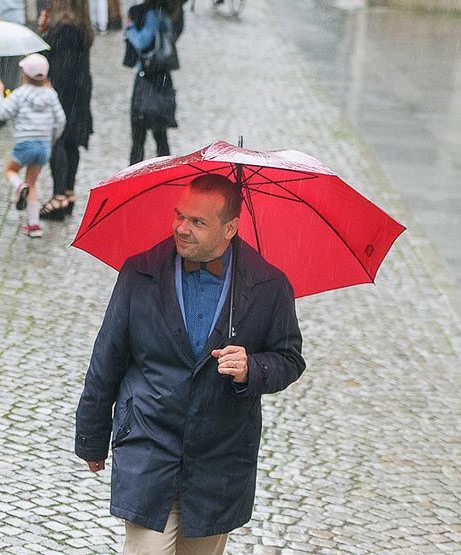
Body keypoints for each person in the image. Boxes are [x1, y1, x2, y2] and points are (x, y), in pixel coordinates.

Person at [76, 174, 306, 554]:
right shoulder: (140, 273)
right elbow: (107, 357)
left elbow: (289, 358)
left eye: (198, 222)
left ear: (230, 228)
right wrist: (91, 435)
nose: (182, 228)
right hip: (149, 442)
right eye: (180, 216)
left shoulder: (269, 285)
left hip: (221, 453)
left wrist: (252, 368)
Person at [0, 54, 66, 238]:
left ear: (25, 74)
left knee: (10, 171)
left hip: (25, 144)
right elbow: (61, 120)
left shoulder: (20, 93)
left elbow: (2, 113)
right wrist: (52, 138)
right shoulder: (51, 94)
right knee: (32, 184)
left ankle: (19, 186)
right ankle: (34, 226)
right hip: (43, 147)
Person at [39, 0, 93, 220]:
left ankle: (59, 195)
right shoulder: (82, 27)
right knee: (71, 141)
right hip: (80, 91)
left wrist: (45, 36)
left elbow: (54, 64)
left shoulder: (64, 29)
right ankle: (68, 192)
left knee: (59, 141)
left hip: (63, 91)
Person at [124, 0, 185, 165]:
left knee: (138, 134)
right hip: (163, 79)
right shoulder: (169, 15)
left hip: (146, 78)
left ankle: (132, 177)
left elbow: (143, 41)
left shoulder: (152, 15)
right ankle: (165, 172)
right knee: (160, 133)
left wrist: (130, 29)